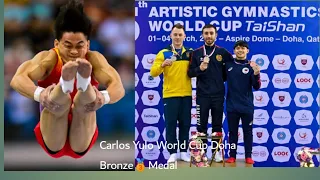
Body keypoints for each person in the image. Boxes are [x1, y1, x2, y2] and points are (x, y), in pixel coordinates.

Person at [10, 0, 125, 159]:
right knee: (56, 103)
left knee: (86, 104)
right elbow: (18, 79)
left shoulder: (94, 59)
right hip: (52, 127)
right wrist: (40, 94)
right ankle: (65, 86)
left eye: (79, 45)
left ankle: (81, 86)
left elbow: (118, 87)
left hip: (82, 129)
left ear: (88, 44)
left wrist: (103, 97)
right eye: (68, 45)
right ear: (56, 43)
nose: (74, 51)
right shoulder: (49, 58)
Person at [187, 24, 233, 162]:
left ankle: (216, 152)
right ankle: (200, 153)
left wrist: (219, 81)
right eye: (206, 33)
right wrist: (200, 68)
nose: (209, 36)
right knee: (201, 126)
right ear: (202, 35)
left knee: (217, 125)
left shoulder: (223, 53)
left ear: (216, 35)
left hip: (218, 95)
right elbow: (190, 73)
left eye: (211, 33)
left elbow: (229, 72)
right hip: (202, 95)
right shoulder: (196, 53)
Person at [150, 24, 193, 163]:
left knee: (185, 124)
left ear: (184, 36)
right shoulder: (163, 53)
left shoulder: (190, 53)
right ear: (170, 36)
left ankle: (183, 151)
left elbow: (197, 70)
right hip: (170, 94)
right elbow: (153, 72)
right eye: (175, 34)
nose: (178, 37)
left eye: (180, 34)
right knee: (171, 124)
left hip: (186, 94)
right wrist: (162, 65)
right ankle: (173, 152)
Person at [225, 40, 261, 164]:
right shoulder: (228, 65)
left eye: (243, 48)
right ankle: (232, 156)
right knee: (233, 132)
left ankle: (248, 156)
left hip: (247, 106)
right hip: (232, 106)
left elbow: (256, 86)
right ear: (234, 51)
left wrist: (256, 74)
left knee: (248, 132)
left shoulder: (251, 66)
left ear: (247, 51)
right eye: (238, 48)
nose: (240, 50)